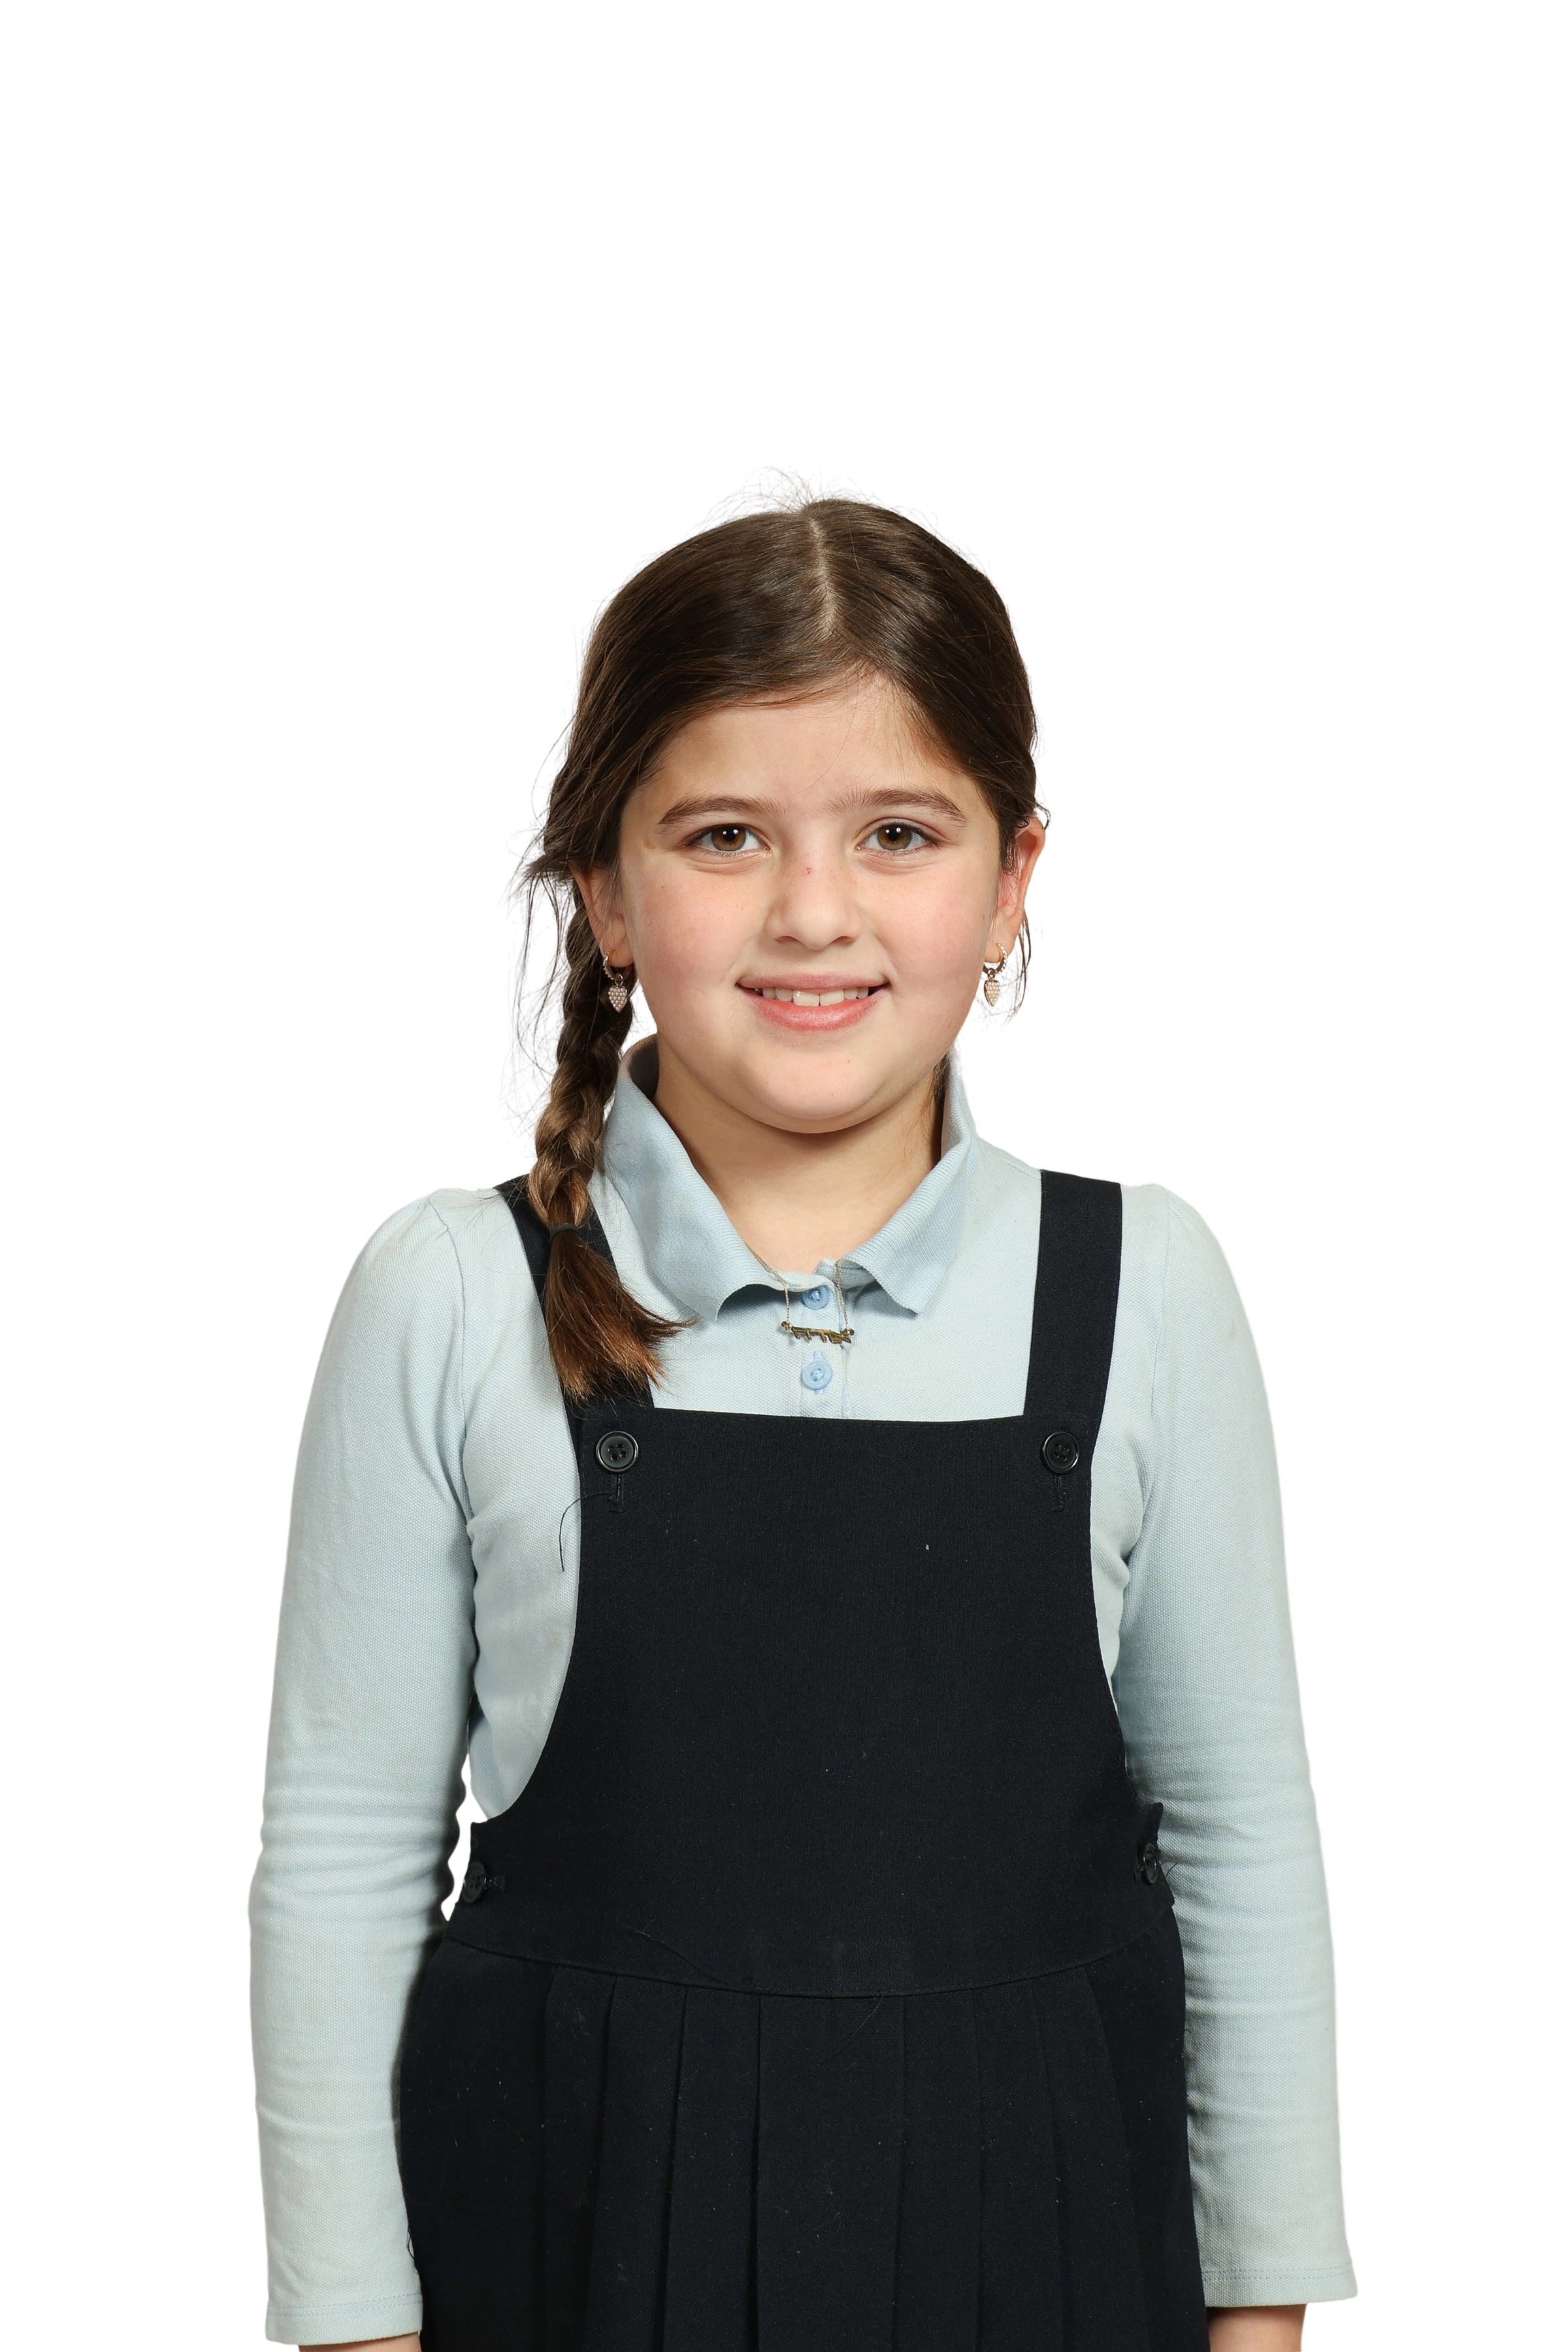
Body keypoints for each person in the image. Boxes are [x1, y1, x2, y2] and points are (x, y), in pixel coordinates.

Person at [246, 465, 1359, 2351]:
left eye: (899, 833)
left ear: (1013, 884)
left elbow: (1240, 1842)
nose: (814, 912)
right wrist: (350, 2320)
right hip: (575, 2249)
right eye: (725, 837)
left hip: (1046, 2256)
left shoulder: (1144, 1290)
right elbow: (345, 1860)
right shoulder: (448, 1296)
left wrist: (1264, 2305)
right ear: (605, 893)